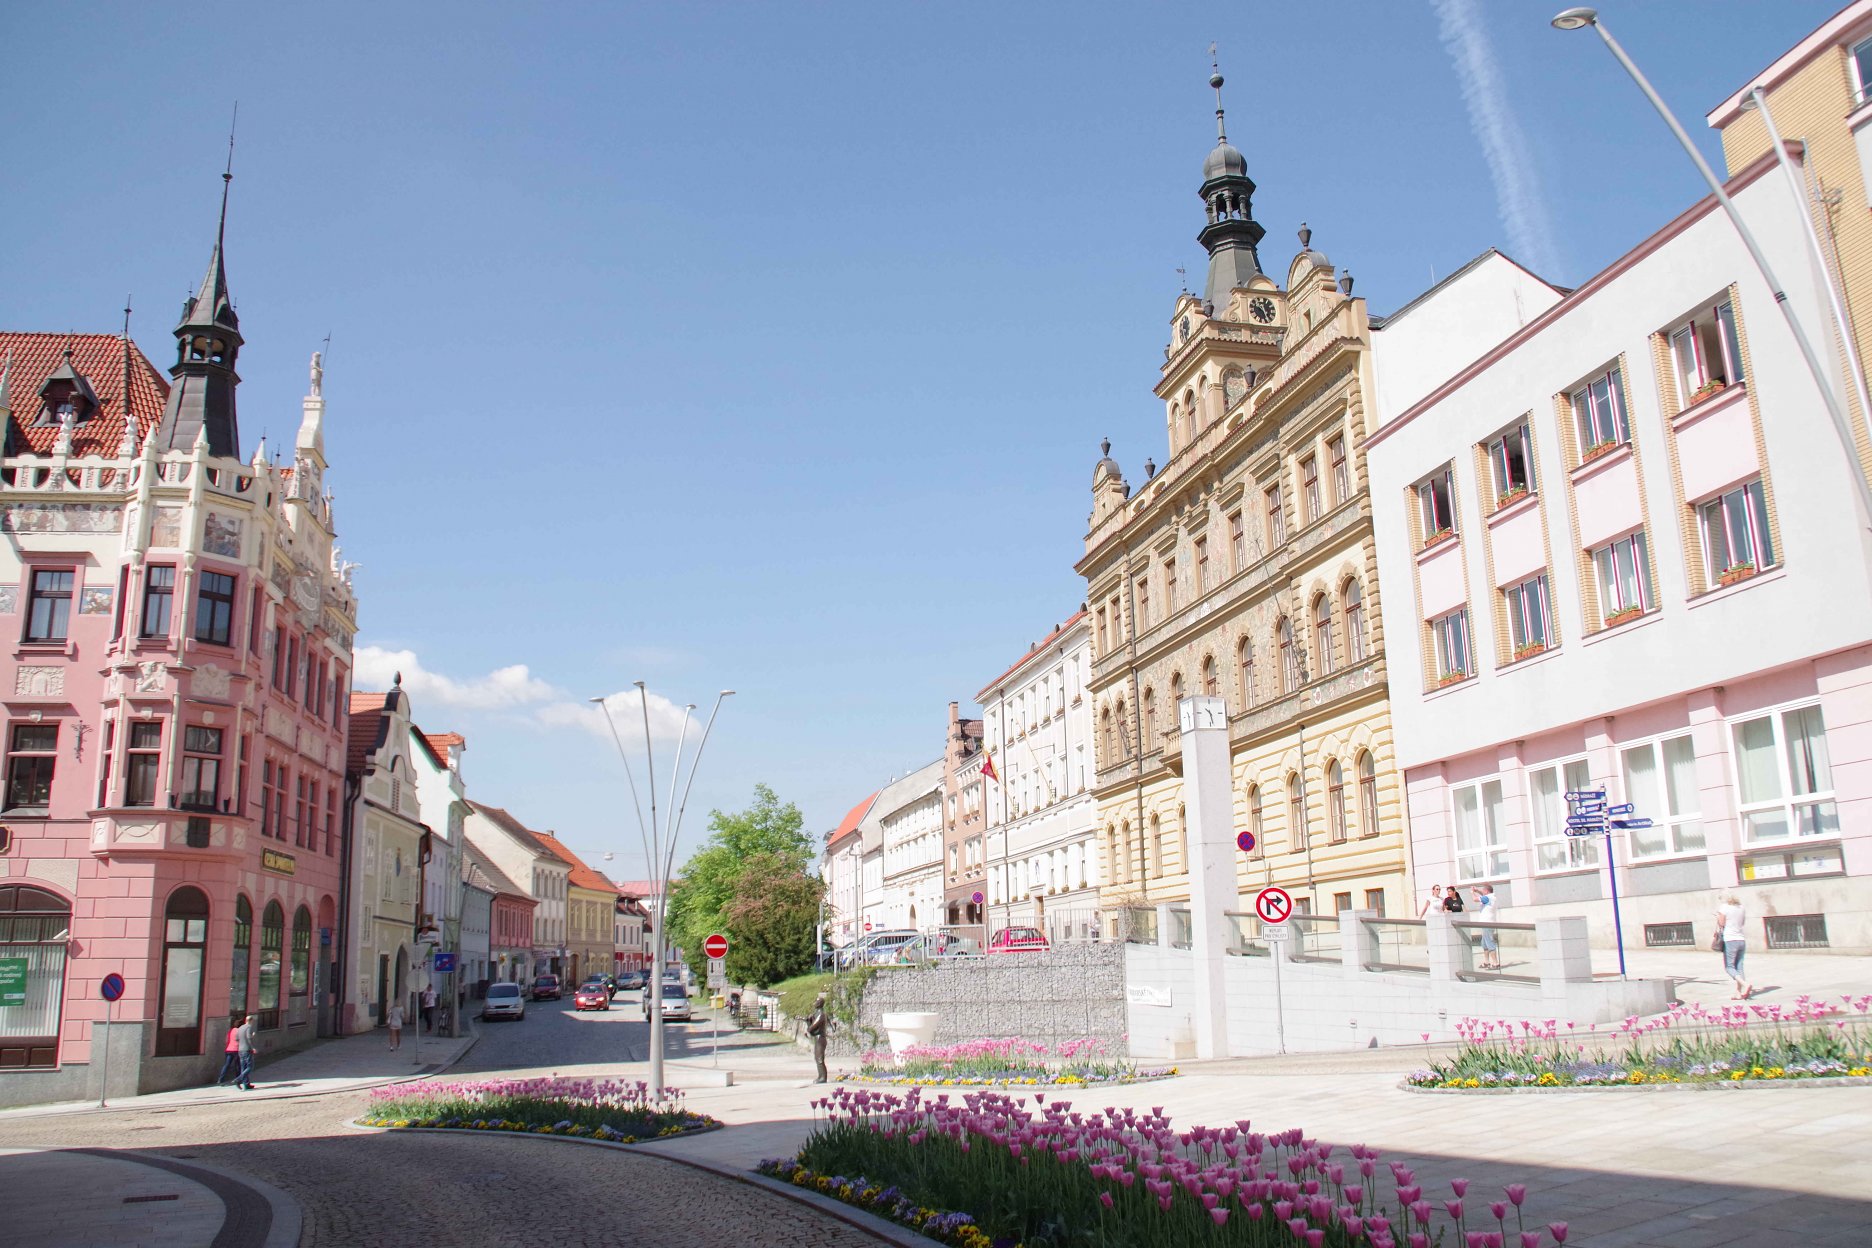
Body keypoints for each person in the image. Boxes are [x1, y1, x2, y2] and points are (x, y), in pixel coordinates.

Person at [1715, 893, 1752, 1000]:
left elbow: (1721, 924)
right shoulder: (1741, 907)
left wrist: (1718, 917)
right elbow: (1742, 923)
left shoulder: (1724, 907)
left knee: (1729, 967)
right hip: (1741, 939)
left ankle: (1745, 984)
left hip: (1730, 939)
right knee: (1739, 966)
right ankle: (1738, 993)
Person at [1474, 884, 1499, 970]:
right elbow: (1483, 895)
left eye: (1483, 890)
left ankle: (1495, 963)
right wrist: (1477, 890)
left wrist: (1472, 892)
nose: (1482, 892)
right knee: (1484, 944)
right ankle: (1487, 962)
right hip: (1486, 924)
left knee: (1489, 943)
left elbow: (1475, 899)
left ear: (1487, 891)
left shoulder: (1488, 898)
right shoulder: (1491, 897)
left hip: (1487, 924)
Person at [806, 992, 829, 1084]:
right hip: (818, 1038)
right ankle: (820, 1076)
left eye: (816, 1002)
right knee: (817, 1058)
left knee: (819, 1058)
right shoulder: (817, 1014)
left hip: (820, 1039)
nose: (814, 1003)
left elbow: (812, 1028)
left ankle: (823, 1077)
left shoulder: (821, 1015)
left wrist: (809, 1023)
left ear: (819, 1004)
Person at [213, 1016, 244, 1087]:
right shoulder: (239, 1031)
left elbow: (226, 1040)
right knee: (237, 1065)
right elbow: (241, 1040)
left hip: (228, 1049)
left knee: (226, 1065)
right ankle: (238, 1080)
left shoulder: (230, 1031)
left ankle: (220, 1079)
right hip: (236, 1050)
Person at [235, 1014, 258, 1090]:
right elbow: (249, 1038)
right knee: (250, 1067)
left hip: (240, 1050)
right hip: (247, 1049)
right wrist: (252, 1047)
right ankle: (238, 1080)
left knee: (243, 1067)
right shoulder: (249, 1027)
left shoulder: (240, 1027)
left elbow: (237, 1038)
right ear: (251, 1021)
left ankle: (246, 1084)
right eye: (252, 1021)